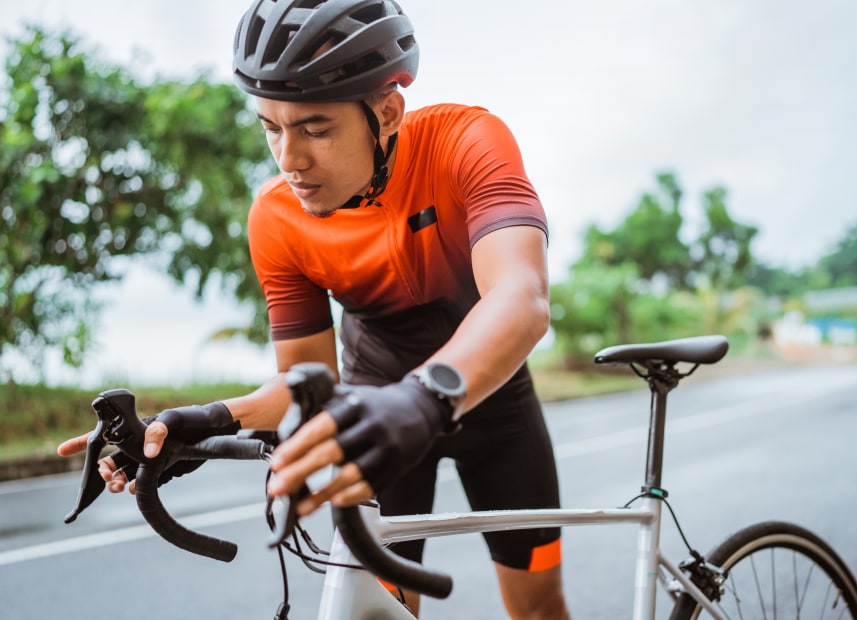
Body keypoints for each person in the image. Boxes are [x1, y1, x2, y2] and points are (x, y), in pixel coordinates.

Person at [59, 0, 570, 617]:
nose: (288, 159)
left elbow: (521, 298)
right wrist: (209, 419)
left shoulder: (465, 142)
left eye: (315, 128)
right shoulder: (276, 218)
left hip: (491, 406)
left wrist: (423, 398)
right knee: (377, 614)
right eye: (270, 126)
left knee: (537, 609)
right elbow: (303, 384)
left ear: (386, 112)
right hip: (368, 412)